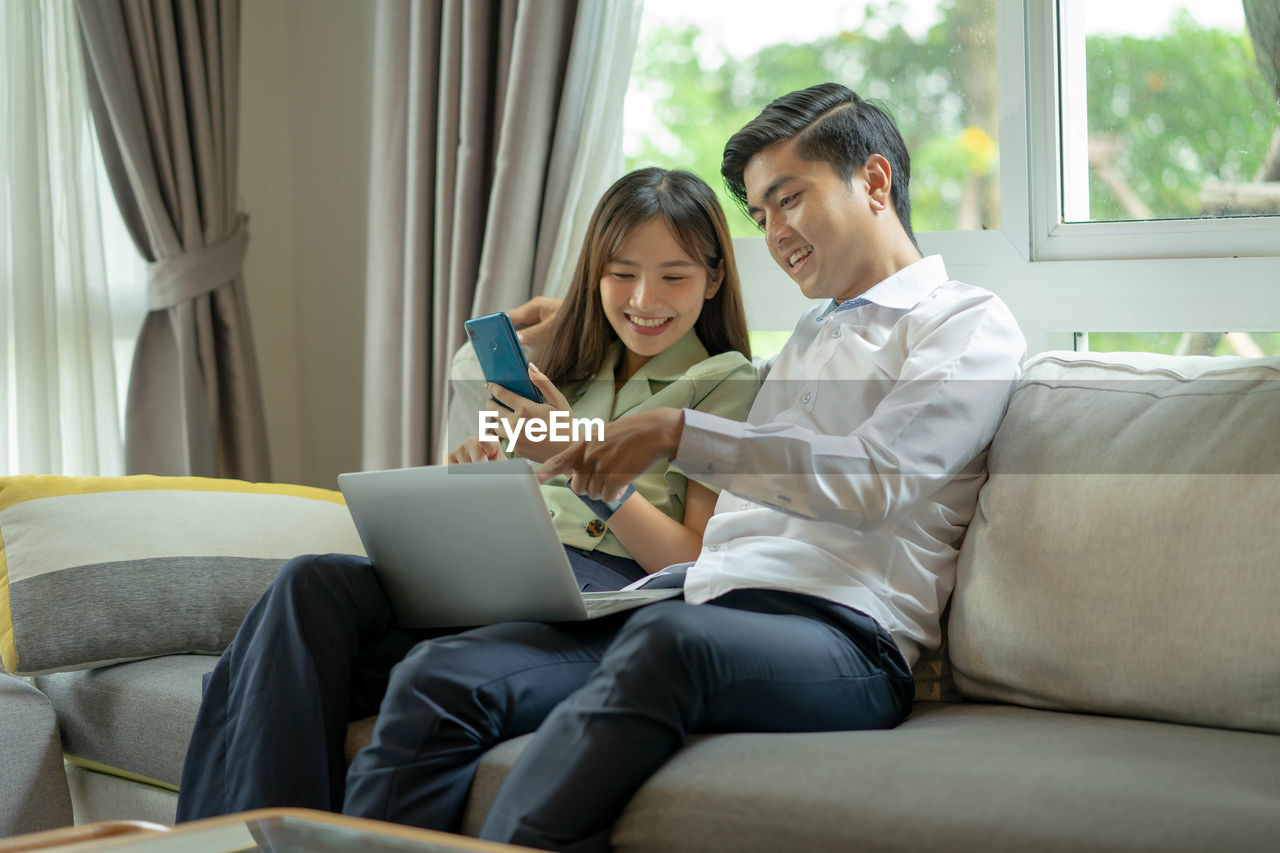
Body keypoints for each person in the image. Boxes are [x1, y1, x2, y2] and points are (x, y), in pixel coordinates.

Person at [334, 82, 1027, 850]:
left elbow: (879, 479)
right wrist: (583, 433)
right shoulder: (811, 335)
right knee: (440, 674)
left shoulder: (964, 323)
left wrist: (676, 431)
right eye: (762, 216)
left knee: (663, 647)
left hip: (844, 635)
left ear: (873, 181)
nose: (776, 233)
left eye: (788, 199)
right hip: (699, 602)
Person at [174, 167, 759, 821]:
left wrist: (574, 462)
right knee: (309, 585)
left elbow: (693, 559)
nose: (644, 297)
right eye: (621, 272)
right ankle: (255, 838)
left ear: (713, 279)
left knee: (264, 669)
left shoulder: (724, 381)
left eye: (673, 275)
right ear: (593, 274)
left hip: (602, 598)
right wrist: (476, 476)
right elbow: (517, 476)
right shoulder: (569, 371)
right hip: (504, 570)